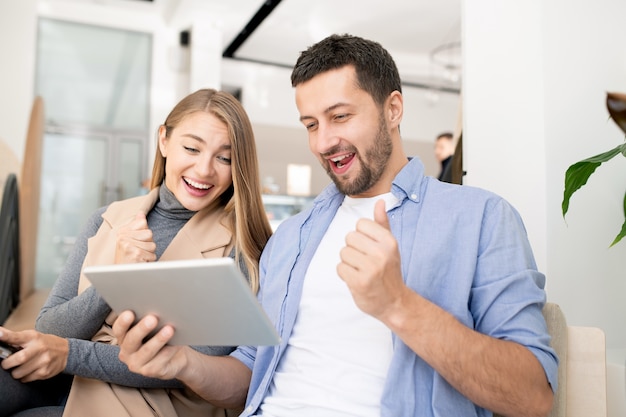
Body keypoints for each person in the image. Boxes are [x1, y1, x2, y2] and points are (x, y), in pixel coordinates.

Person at [112, 34, 558, 417]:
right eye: (311, 124)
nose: (323, 142)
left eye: (340, 116)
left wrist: (398, 305)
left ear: (393, 108)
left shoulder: (481, 218)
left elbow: (532, 396)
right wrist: (181, 363)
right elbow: (250, 373)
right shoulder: (291, 236)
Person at [0, 88, 273, 417]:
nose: (204, 169)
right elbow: (50, 330)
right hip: (69, 380)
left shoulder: (241, 247)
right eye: (191, 148)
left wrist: (70, 353)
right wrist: (112, 281)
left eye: (224, 158)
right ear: (164, 141)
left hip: (149, 402)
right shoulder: (107, 217)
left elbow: (195, 359)